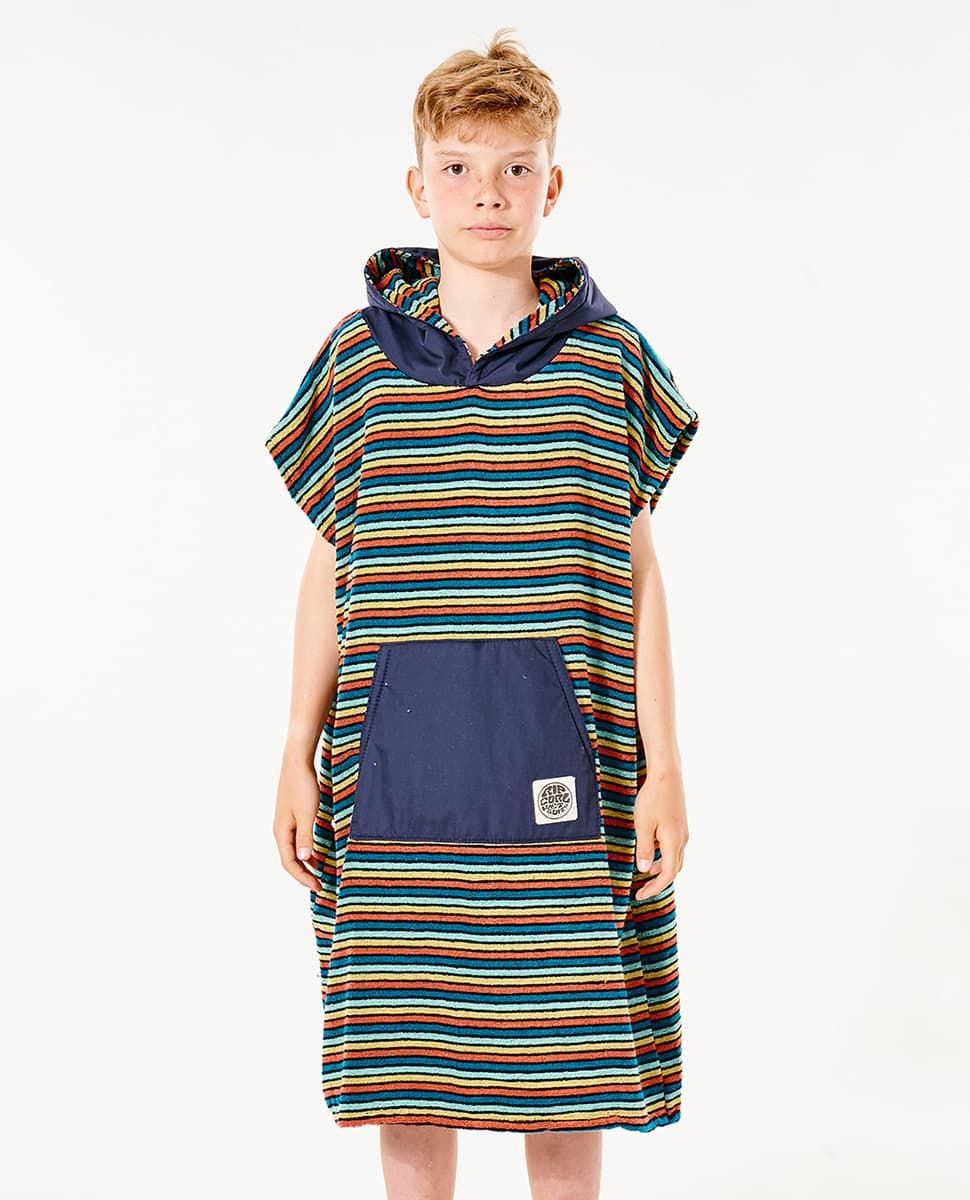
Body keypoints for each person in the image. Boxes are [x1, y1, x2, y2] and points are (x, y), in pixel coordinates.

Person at [266, 26, 700, 1200]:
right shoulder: (358, 364)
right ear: (418, 186)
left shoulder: (607, 362)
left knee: (567, 1059)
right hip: (392, 764)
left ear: (552, 185)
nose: (487, 194)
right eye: (457, 168)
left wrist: (666, 768)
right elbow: (331, 558)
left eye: (515, 168)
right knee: (407, 1057)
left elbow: (638, 571)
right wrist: (295, 750)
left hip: (565, 757)